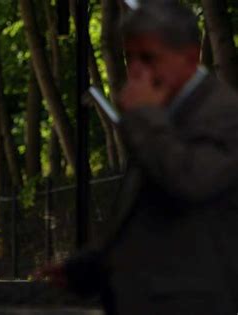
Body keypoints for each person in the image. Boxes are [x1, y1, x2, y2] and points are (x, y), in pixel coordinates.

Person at [40, 2, 238, 315]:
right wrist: (91, 266)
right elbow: (150, 212)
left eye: (148, 57)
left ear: (190, 56)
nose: (136, 70)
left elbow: (190, 181)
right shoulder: (161, 114)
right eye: (130, 57)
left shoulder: (222, 113)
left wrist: (145, 116)